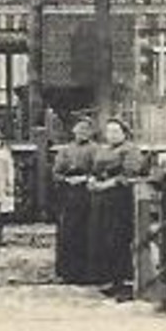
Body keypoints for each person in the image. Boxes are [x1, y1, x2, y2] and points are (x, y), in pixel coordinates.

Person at [88, 117, 148, 300]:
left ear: (124, 133)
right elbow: (95, 169)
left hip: (122, 199)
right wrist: (92, 179)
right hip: (103, 200)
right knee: (106, 239)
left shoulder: (131, 150)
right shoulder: (103, 149)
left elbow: (129, 175)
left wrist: (106, 185)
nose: (111, 135)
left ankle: (126, 285)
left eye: (116, 131)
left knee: (120, 239)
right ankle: (112, 281)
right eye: (109, 131)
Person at [52, 118, 98, 284]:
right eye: (78, 130)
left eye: (85, 130)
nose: (81, 133)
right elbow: (56, 172)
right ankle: (67, 272)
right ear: (73, 132)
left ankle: (86, 273)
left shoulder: (95, 149)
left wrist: (85, 178)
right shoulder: (66, 150)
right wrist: (66, 180)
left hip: (88, 194)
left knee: (87, 232)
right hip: (69, 194)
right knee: (68, 232)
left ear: (91, 133)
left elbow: (99, 171)